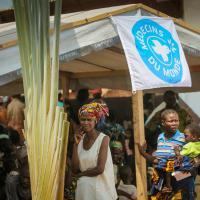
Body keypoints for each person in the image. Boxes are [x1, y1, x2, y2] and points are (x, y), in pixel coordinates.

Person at [72, 102, 117, 200]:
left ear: (95, 121)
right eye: (83, 120)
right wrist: (75, 145)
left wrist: (81, 174)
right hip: (84, 192)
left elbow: (100, 169)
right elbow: (74, 169)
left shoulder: (104, 139)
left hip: (101, 192)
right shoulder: (80, 139)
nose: (86, 122)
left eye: (89, 120)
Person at [138, 109, 185, 193]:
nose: (174, 123)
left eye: (176, 121)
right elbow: (158, 160)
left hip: (176, 178)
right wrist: (143, 153)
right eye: (171, 121)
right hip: (160, 177)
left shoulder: (182, 138)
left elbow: (189, 161)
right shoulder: (160, 137)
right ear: (163, 123)